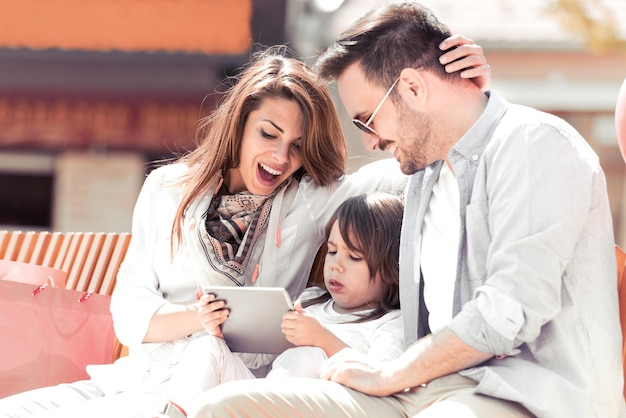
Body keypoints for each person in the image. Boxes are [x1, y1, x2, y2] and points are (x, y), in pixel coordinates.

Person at [0, 37, 491, 418]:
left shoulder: (311, 199)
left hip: (233, 385)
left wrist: (465, 95)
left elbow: (414, 161)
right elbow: (131, 308)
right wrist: (200, 318)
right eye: (269, 134)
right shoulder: (166, 188)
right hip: (143, 374)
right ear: (238, 125)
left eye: (297, 146)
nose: (281, 158)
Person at [189, 3, 626, 418]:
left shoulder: (534, 145)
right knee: (224, 407)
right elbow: (312, 194)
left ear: (414, 88)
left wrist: (390, 373)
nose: (370, 141)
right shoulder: (422, 176)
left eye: (366, 120)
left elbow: (509, 310)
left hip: (527, 397)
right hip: (424, 390)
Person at [164, 192, 404, 411]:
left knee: (308, 354)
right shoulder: (311, 301)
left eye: (353, 256)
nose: (336, 265)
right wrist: (222, 331)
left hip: (317, 411)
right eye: (332, 251)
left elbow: (381, 377)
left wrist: (322, 340)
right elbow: (262, 360)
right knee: (208, 347)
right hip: (262, 401)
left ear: (390, 267)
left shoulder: (391, 322)